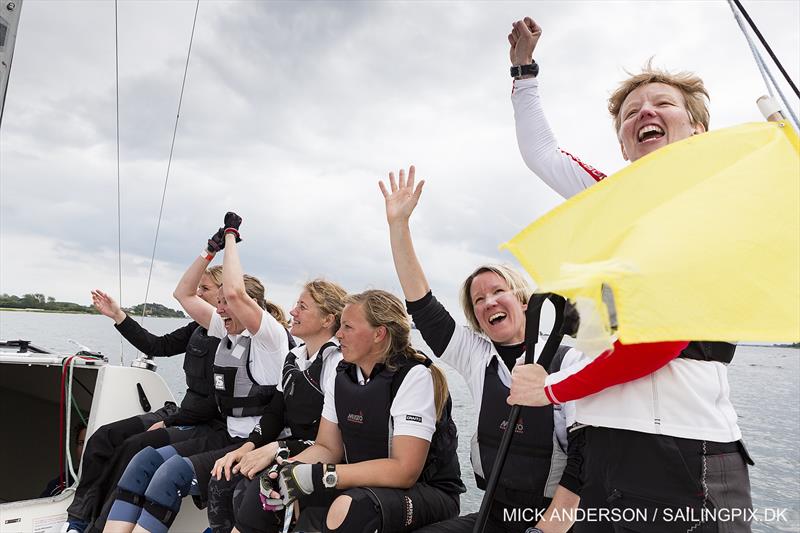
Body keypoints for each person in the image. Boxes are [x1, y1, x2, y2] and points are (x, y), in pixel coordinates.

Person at [506, 17, 753, 532]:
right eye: (629, 113)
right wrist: (524, 73)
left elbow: (658, 344)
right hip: (599, 446)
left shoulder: (724, 212)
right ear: (623, 146)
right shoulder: (607, 202)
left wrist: (549, 390)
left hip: (687, 453)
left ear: (698, 131)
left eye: (664, 104)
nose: (645, 111)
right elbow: (542, 154)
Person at [379, 166, 582, 533]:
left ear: (522, 301)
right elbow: (422, 305)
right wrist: (399, 226)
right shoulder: (476, 356)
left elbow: (585, 462)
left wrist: (546, 529)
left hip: (553, 520)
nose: (488, 302)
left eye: (497, 292)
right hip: (495, 514)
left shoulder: (569, 362)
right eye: (478, 300)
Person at [103, 212, 293, 533]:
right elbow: (184, 294)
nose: (218, 310)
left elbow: (234, 293)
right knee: (144, 461)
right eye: (217, 303)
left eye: (225, 303)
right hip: (228, 435)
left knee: (170, 474)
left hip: (258, 444)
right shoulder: (225, 329)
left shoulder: (269, 339)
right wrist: (209, 251)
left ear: (250, 305)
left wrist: (231, 235)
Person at [250, 289, 464, 533]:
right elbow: (327, 448)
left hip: (429, 492)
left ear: (379, 334)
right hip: (365, 484)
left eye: (348, 327)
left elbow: (405, 471)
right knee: (264, 491)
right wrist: (286, 470)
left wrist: (322, 475)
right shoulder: (342, 375)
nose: (338, 335)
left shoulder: (414, 377)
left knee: (351, 508)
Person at [63, 266, 224, 533]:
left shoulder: (232, 340)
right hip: (181, 413)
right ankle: (77, 520)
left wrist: (171, 421)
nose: (197, 294)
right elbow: (156, 345)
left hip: (201, 421)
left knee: (134, 447)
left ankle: (99, 526)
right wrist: (118, 316)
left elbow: (213, 404)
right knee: (104, 437)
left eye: (204, 289)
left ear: (223, 293)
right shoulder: (196, 329)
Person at [206, 279, 348, 533]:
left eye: (302, 307)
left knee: (249, 493)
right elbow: (275, 413)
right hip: (290, 445)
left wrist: (277, 450)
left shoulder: (335, 364)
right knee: (223, 479)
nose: (292, 312)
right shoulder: (294, 357)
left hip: (321, 452)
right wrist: (245, 448)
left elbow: (331, 444)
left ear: (327, 320)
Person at [42, 423, 87, 497]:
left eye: (90, 442)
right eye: (81, 443)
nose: (85, 448)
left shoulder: (110, 481)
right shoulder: (63, 482)